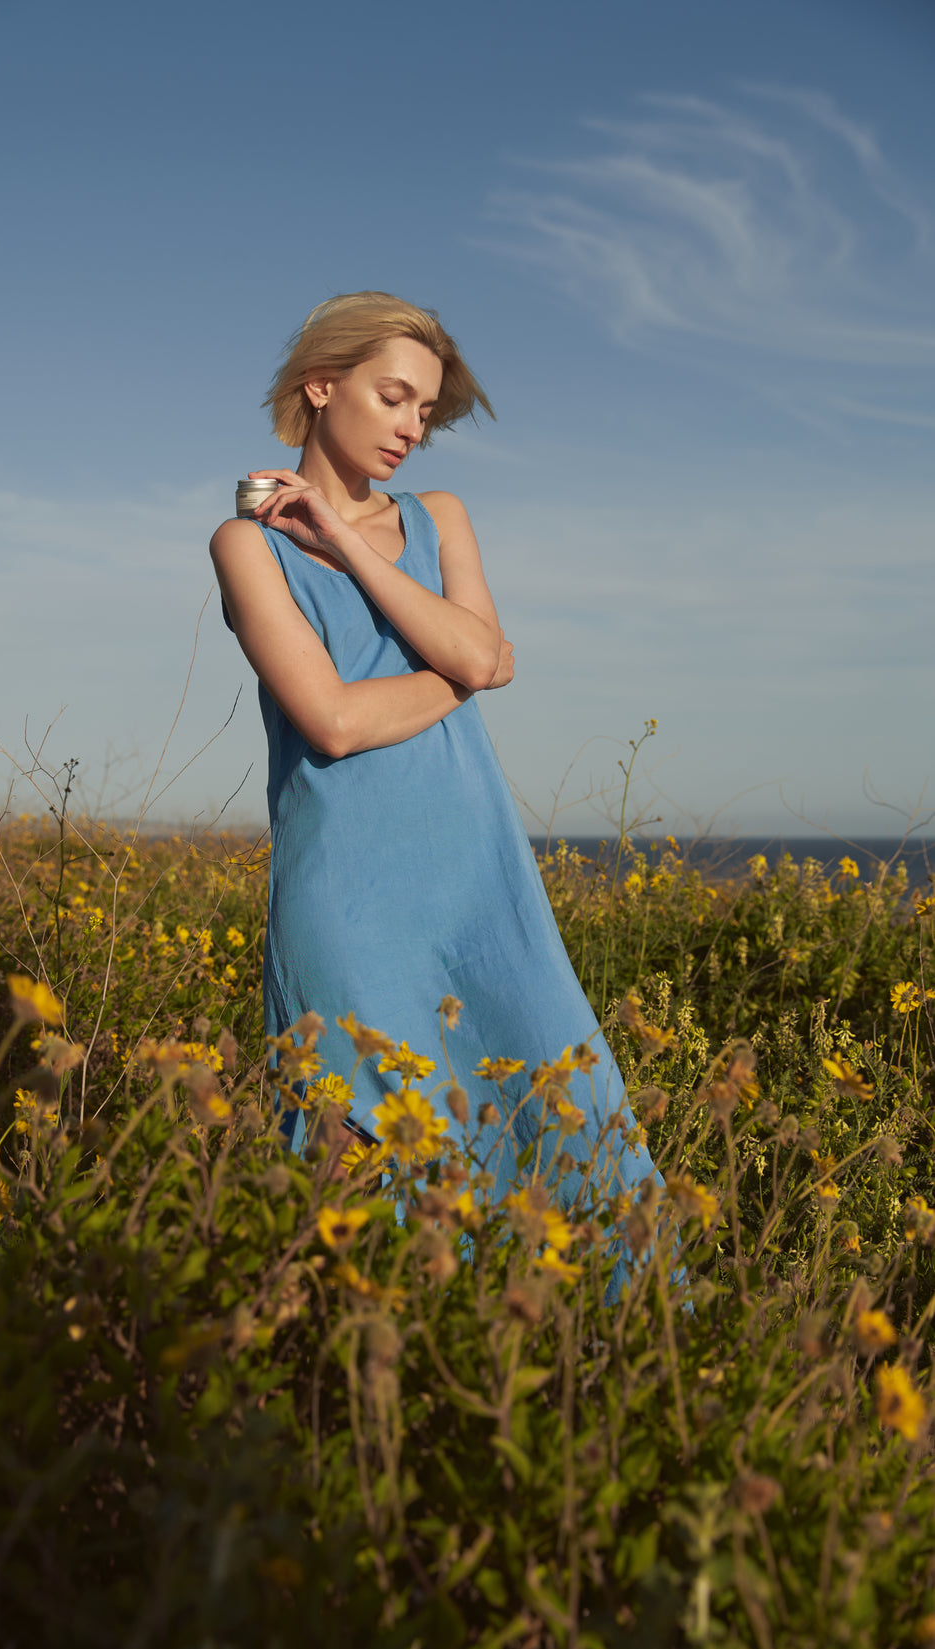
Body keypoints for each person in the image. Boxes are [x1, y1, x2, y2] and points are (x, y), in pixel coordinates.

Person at [210, 291, 658, 1229]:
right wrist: (466, 671)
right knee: (357, 1168)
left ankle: (614, 1361)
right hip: (345, 895)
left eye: (426, 410)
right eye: (395, 397)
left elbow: (486, 654)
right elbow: (333, 720)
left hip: (479, 882)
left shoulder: (440, 515)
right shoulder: (245, 547)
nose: (412, 427)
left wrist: (348, 545)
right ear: (321, 386)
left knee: (573, 1117)